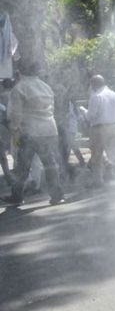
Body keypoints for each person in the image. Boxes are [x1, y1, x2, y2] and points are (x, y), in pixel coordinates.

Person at [2, 60, 65, 205]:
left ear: (20, 72)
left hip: (30, 132)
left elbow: (16, 114)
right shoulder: (46, 87)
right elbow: (52, 109)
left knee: (23, 166)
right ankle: (57, 195)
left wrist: (14, 129)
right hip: (49, 129)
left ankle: (17, 197)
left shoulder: (20, 88)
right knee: (50, 164)